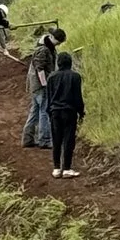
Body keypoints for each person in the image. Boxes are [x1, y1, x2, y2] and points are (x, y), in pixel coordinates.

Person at [46, 47, 85, 176]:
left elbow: (49, 96)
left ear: (58, 63)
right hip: (69, 111)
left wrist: (49, 111)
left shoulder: (51, 77)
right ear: (70, 63)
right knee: (68, 139)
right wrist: (81, 111)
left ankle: (56, 168)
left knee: (56, 139)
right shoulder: (75, 76)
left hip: (55, 111)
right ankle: (67, 168)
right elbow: (77, 96)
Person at [23, 28, 62, 148]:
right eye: (58, 41)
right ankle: (44, 140)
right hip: (40, 85)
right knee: (44, 111)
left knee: (35, 111)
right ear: (51, 37)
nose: (59, 44)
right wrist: (45, 84)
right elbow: (40, 69)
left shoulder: (45, 47)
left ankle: (28, 139)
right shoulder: (44, 50)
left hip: (35, 85)